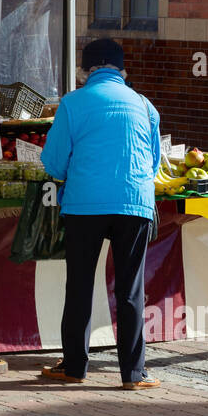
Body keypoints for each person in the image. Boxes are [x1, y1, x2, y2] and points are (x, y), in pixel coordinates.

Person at [39, 38, 161, 390]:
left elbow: (54, 162)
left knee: (79, 284)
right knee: (130, 289)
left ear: (86, 71)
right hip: (134, 202)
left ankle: (75, 366)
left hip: (85, 204)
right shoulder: (144, 105)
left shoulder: (73, 103)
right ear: (122, 70)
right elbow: (152, 163)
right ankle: (133, 374)